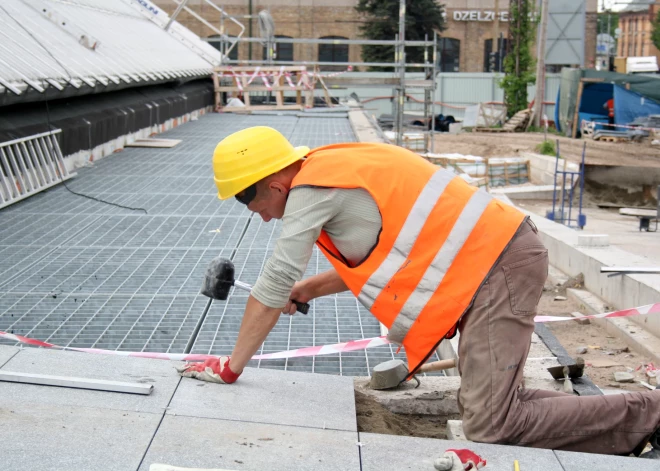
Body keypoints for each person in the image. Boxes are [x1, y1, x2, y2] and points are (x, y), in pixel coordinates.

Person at [177, 126, 660, 458]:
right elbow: (378, 258)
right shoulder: (334, 170)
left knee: (491, 426)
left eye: (247, 197)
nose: (251, 212)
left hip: (497, 267)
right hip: (493, 264)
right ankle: (639, 418)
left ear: (275, 181)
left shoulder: (311, 188)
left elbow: (273, 281)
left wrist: (231, 367)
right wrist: (311, 290)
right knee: (492, 406)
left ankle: (648, 416)